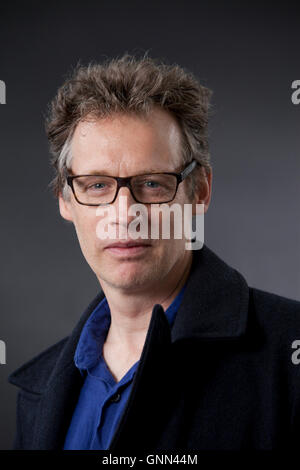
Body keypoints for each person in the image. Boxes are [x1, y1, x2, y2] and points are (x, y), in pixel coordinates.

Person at [8, 55, 300, 451]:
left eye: (152, 184)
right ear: (65, 199)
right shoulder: (40, 392)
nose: (126, 215)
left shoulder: (288, 356)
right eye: (96, 186)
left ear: (199, 191)